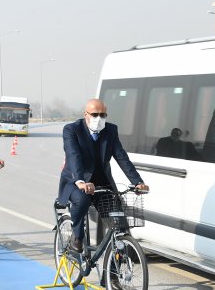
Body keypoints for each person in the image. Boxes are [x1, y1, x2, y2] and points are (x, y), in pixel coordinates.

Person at [58, 98, 148, 251]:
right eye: (95, 115)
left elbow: (122, 157)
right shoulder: (72, 130)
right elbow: (73, 156)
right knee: (82, 200)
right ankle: (77, 236)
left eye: (103, 115)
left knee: (119, 223)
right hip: (76, 182)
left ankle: (117, 262)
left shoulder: (110, 130)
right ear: (85, 115)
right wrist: (80, 181)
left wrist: (137, 182)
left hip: (102, 183)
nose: (99, 118)